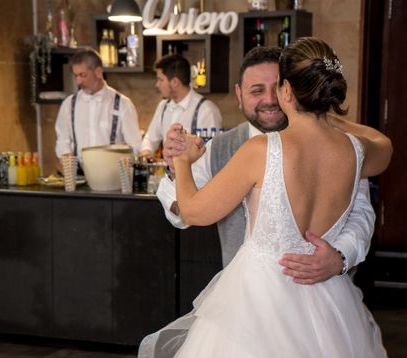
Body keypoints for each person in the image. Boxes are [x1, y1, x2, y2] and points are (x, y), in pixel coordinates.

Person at [85, 37, 407, 358]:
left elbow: (197, 211)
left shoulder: (263, 151)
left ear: (287, 92)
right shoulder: (354, 153)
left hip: (257, 302)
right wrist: (324, 112)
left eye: (275, 86)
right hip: (327, 308)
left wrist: (181, 164)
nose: (268, 95)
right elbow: (383, 146)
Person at [157, 47, 374, 283]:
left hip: (324, 291)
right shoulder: (218, 148)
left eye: (276, 88)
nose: (270, 100)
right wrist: (175, 166)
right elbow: (181, 212)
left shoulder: (336, 144)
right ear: (239, 94)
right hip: (247, 299)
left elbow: (360, 211)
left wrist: (341, 257)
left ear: (289, 90)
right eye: (257, 90)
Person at [55, 48, 141, 159]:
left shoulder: (123, 104)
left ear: (98, 72)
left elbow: (135, 146)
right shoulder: (69, 105)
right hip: (79, 174)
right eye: (76, 76)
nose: (78, 81)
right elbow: (62, 140)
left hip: (113, 173)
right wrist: (65, 153)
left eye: (83, 75)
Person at [139, 54, 222, 157]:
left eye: (160, 80)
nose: (157, 85)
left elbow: (212, 154)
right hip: (167, 172)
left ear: (174, 82)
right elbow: (150, 139)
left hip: (195, 173)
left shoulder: (206, 110)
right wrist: (146, 152)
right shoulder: (163, 107)